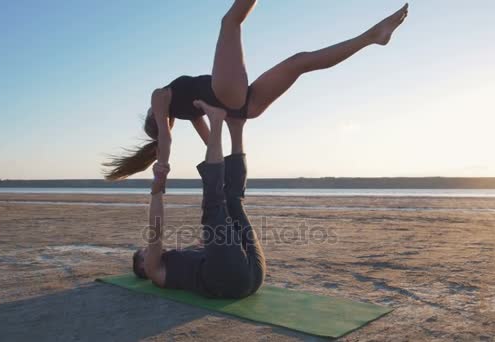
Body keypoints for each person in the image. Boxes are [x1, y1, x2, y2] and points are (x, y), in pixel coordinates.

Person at [104, 1, 410, 190]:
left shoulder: (190, 113)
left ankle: (372, 37)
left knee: (300, 62)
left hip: (243, 107)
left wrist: (224, 169)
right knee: (230, 22)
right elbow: (168, 141)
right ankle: (371, 37)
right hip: (227, 94)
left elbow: (211, 142)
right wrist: (161, 172)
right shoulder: (160, 96)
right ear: (153, 117)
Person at [132, 103, 266, 298]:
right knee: (213, 206)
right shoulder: (155, 271)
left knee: (233, 202)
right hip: (230, 280)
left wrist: (196, 120)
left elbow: (216, 250)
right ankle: (218, 122)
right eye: (144, 254)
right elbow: (156, 230)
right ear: (143, 268)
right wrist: (156, 190)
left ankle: (236, 127)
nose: (148, 250)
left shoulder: (180, 257)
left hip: (252, 274)